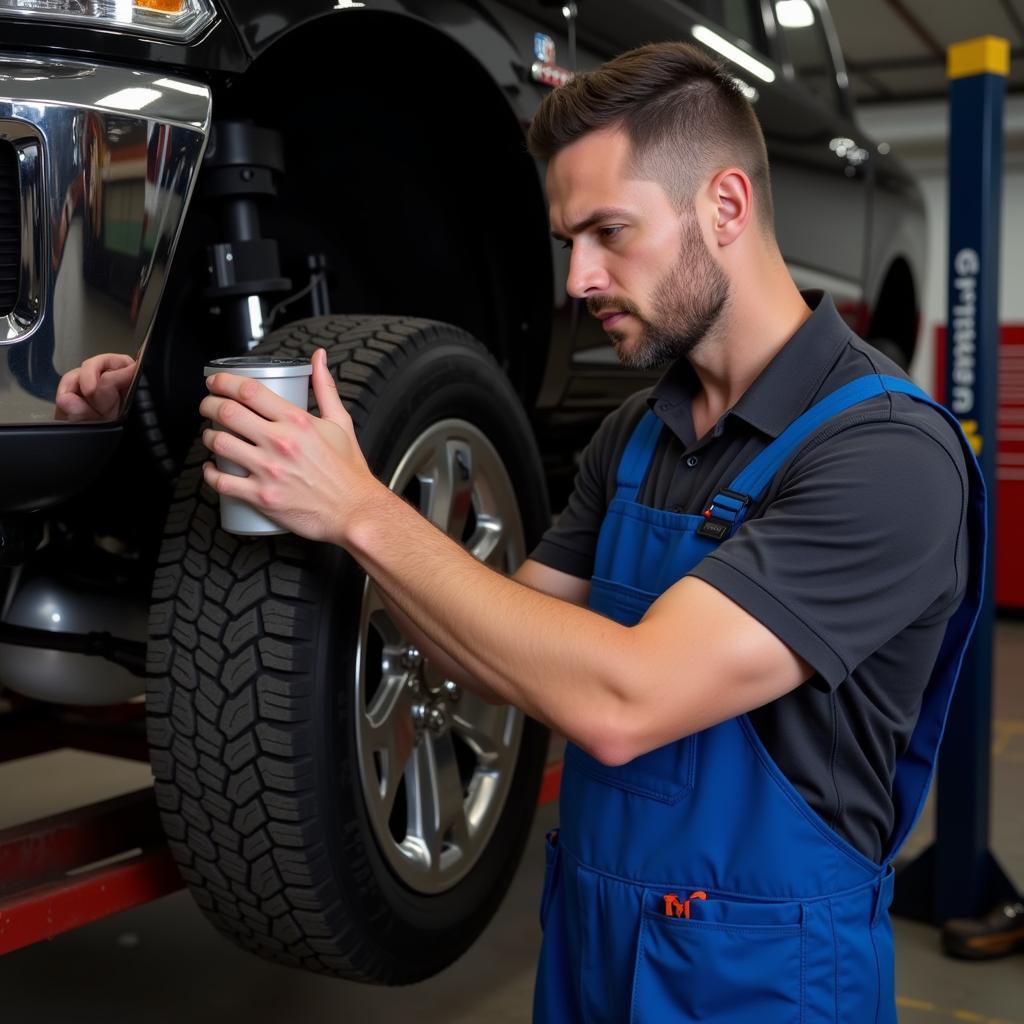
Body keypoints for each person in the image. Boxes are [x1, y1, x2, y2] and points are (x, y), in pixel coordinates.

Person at [199, 43, 984, 1024]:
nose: (578, 279)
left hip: (764, 976)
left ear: (725, 207)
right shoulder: (639, 432)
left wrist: (360, 507)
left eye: (610, 232)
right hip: (592, 943)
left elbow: (625, 697)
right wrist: (306, 485)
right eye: (571, 239)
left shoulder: (884, 453)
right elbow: (505, 648)